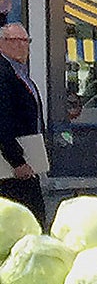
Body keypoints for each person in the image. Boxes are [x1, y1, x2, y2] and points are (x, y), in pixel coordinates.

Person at [0, 23, 47, 223]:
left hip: (29, 157)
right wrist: (17, 161)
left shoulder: (19, 72)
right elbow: (2, 120)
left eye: (25, 41)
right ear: (2, 43)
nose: (22, 46)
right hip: (11, 163)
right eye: (15, 41)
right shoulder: (4, 73)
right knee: (26, 217)